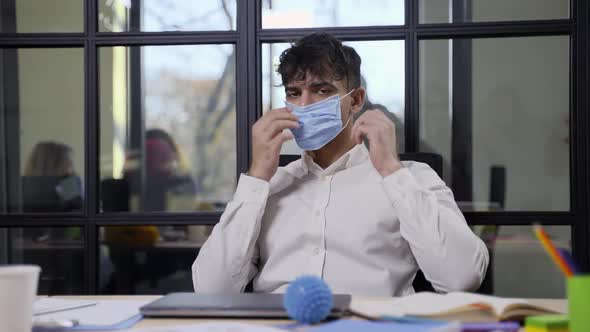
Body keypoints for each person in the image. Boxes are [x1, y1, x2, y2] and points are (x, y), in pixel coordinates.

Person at [192, 33, 489, 296]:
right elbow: (210, 289)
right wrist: (256, 177)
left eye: (321, 91)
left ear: (356, 100)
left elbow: (462, 278)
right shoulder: (269, 186)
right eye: (294, 93)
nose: (304, 105)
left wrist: (390, 170)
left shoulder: (411, 177)